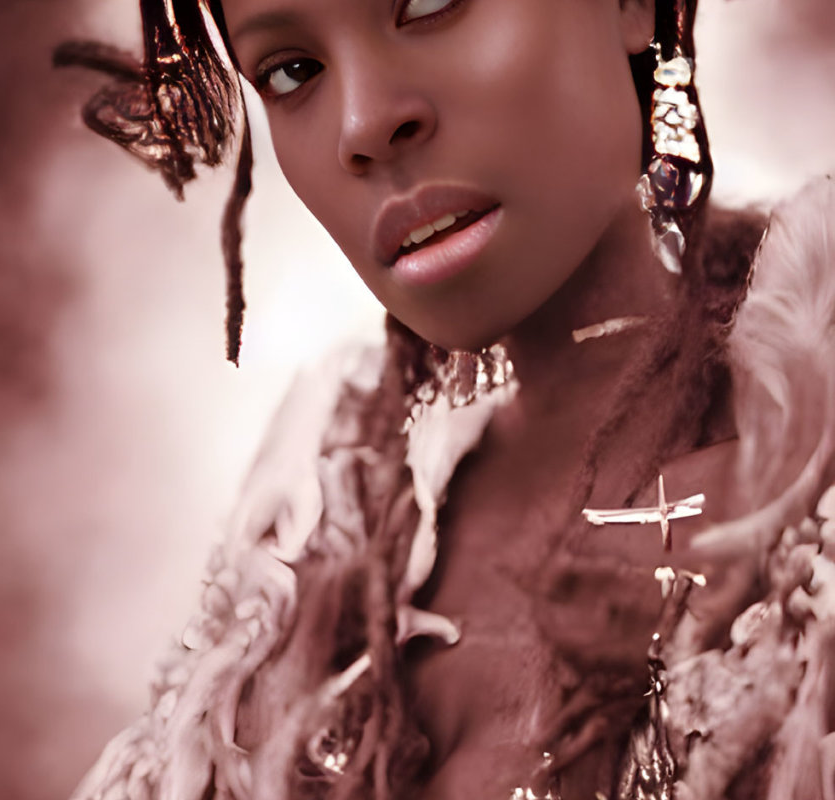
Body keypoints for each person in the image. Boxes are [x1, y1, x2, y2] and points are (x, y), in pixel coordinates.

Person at [55, 0, 835, 797]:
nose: (361, 124)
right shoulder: (314, 537)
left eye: (428, 2)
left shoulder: (817, 480)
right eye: (293, 71)